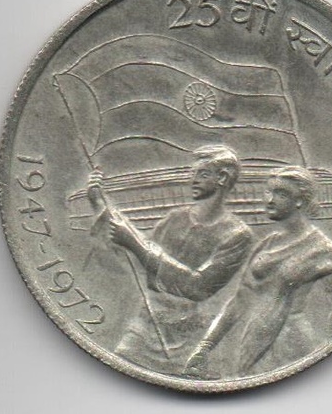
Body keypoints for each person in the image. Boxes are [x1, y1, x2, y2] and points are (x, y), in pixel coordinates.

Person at [87, 145, 252, 372]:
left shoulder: (236, 235)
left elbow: (198, 287)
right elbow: (135, 256)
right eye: (193, 173)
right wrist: (99, 203)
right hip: (147, 327)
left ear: (222, 178)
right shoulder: (174, 219)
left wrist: (136, 245)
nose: (193, 180)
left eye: (203, 174)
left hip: (192, 339)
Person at [183, 166, 332, 378]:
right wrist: (205, 347)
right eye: (268, 192)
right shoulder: (266, 244)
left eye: (281, 194)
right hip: (253, 344)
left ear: (299, 201)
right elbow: (239, 300)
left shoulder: (324, 250)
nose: (269, 200)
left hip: (292, 345)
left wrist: (331, 361)